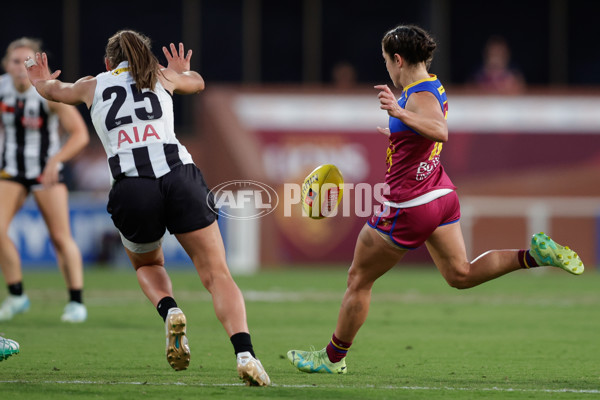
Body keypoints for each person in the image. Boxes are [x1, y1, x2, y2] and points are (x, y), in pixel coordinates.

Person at [287, 24, 584, 374]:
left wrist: (399, 114)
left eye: (386, 61)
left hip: (409, 205)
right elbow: (425, 131)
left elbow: (439, 129)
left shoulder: (418, 97)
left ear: (398, 59)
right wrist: (397, 132)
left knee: (358, 279)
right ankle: (533, 255)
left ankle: (333, 358)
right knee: (460, 273)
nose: (386, 68)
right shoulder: (430, 84)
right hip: (440, 193)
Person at [25, 30, 270, 386]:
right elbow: (197, 83)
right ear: (147, 57)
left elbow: (53, 91)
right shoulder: (161, 76)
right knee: (217, 274)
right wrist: (181, 70)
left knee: (148, 264)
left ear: (108, 63)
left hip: (132, 186)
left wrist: (40, 80)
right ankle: (245, 353)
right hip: (179, 177)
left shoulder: (92, 84)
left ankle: (170, 310)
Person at [0, 38, 89, 323]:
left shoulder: (46, 93)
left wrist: (56, 160)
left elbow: (80, 134)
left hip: (45, 171)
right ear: (6, 65)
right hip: (11, 170)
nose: (21, 67)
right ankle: (16, 295)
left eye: (28, 62)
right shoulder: (2, 89)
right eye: (16, 61)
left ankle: (76, 302)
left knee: (60, 237)